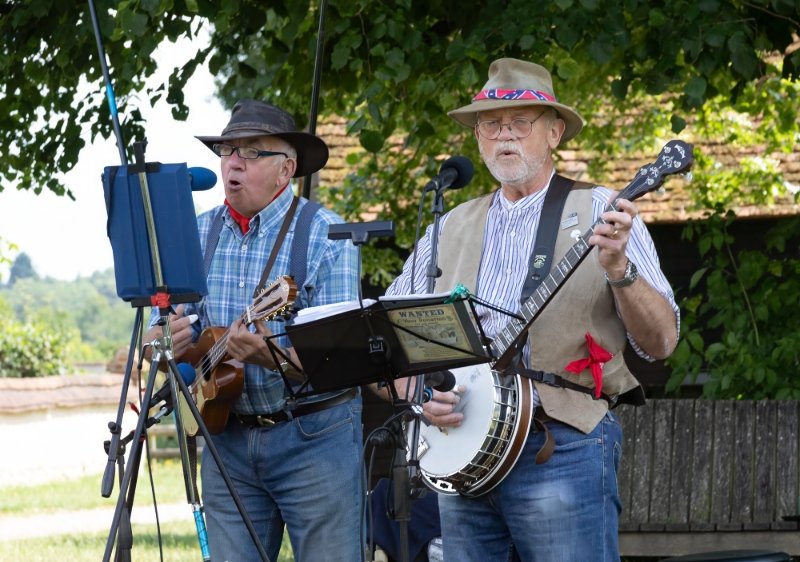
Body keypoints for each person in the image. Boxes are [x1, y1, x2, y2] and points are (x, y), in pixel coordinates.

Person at [385, 58, 680, 561]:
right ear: (478, 138)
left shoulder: (602, 210)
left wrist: (619, 270)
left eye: (521, 123)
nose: (505, 135)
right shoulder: (449, 224)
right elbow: (391, 333)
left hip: (562, 445)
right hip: (462, 447)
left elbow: (662, 341)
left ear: (554, 133)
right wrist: (415, 392)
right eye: (491, 124)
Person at [144, 99, 364, 561]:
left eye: (251, 152)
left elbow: (342, 360)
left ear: (286, 171)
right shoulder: (196, 233)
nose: (234, 163)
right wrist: (163, 342)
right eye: (227, 151)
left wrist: (268, 353)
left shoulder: (329, 235)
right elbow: (156, 332)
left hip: (314, 439)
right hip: (227, 441)